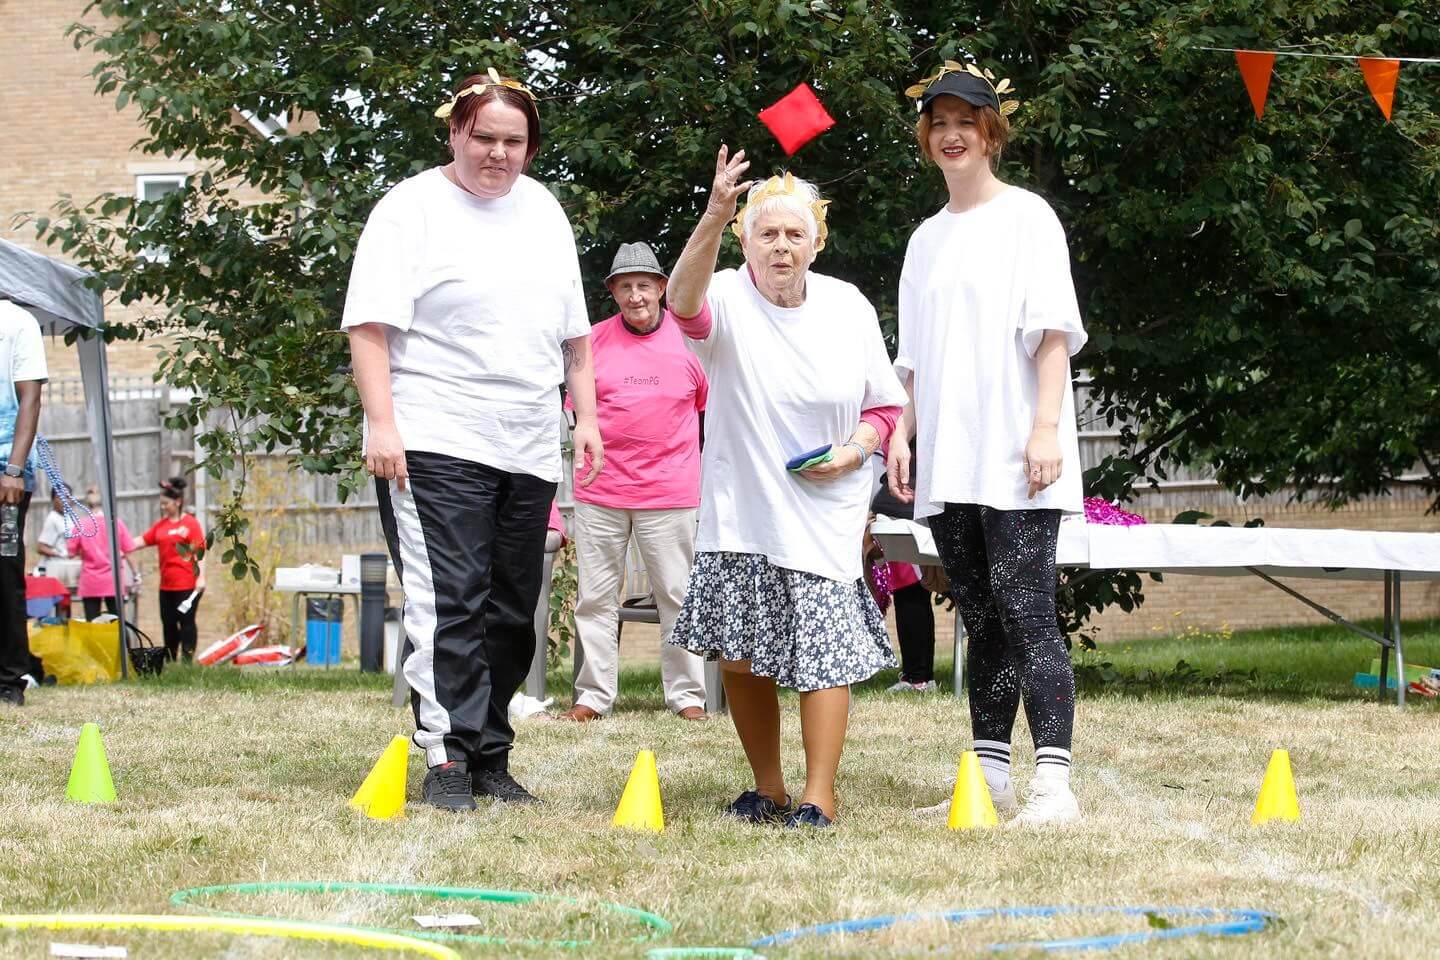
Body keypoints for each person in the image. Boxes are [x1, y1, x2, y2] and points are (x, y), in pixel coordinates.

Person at [343, 68, 602, 812]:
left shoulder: (544, 211)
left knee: (512, 606)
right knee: (450, 599)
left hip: (525, 441)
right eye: (483, 136)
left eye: (513, 141)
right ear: (455, 132)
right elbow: (368, 329)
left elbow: (575, 338)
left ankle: (491, 751)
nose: (497, 153)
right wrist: (384, 425)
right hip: (434, 436)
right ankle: (447, 756)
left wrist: (585, 418)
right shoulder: (410, 209)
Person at [667, 151, 907, 828]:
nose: (780, 246)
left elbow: (884, 408)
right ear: (745, 240)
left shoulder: (847, 305)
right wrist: (715, 213)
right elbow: (680, 307)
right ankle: (767, 789)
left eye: (794, 234)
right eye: (766, 233)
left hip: (824, 510)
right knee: (741, 658)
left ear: (817, 242)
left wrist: (856, 450)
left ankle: (818, 796)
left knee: (822, 656)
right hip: (741, 510)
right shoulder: (722, 295)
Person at [888, 64, 1088, 825]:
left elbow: (1052, 336)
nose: (951, 133)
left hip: (1016, 454)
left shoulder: (1029, 218)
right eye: (938, 121)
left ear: (990, 131)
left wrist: (1045, 429)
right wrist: (901, 431)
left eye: (965, 121)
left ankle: (1054, 787)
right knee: (982, 619)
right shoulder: (924, 239)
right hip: (950, 457)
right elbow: (912, 358)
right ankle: (992, 779)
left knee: (1027, 608)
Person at [559, 241, 709, 724]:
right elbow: (574, 412)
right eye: (625, 287)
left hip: (670, 493)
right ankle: (592, 697)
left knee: (678, 595)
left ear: (663, 288)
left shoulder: (692, 343)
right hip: (601, 491)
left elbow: (712, 415)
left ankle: (688, 696)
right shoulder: (591, 342)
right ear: (613, 293)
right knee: (595, 598)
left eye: (644, 285)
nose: (635, 296)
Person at [0, 299, 47, 706]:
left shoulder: (17, 321)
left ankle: (10, 681)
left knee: (4, 574)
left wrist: (14, 469)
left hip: (3, 473)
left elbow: (30, 399)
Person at [128, 477, 206, 661]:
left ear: (177, 502)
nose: (163, 507)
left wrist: (201, 578)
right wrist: (121, 545)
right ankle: (170, 662)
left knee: (186, 623)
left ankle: (187, 663)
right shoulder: (161, 525)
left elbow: (200, 551)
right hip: (166, 587)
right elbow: (142, 540)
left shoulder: (190, 524)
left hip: (186, 584)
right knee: (168, 625)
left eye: (166, 503)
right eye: (161, 503)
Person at [67, 486, 135, 621]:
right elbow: (128, 550)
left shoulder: (80, 525)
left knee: (92, 623)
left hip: (90, 581)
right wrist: (135, 574)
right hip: (113, 580)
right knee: (118, 623)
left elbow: (71, 552)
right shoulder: (116, 523)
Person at [36, 489, 71, 560]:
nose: (64, 500)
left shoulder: (69, 517)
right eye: (60, 497)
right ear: (53, 500)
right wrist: (61, 555)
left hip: (68, 564)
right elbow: (41, 547)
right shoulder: (52, 519)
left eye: (67, 497)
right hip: (57, 565)